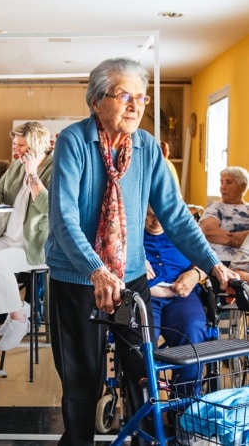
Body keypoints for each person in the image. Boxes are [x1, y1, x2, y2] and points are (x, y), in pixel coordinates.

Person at [44, 57, 238, 446]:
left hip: (131, 278)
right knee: (82, 380)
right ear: (96, 100)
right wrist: (97, 270)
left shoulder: (147, 148)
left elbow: (178, 217)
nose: (135, 106)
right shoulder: (74, 141)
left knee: (141, 372)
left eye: (141, 98)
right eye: (123, 96)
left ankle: (143, 441)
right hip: (78, 278)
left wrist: (213, 266)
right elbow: (64, 219)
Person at [0, 121, 53, 351]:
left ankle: (18, 320)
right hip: (10, 238)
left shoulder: (55, 166)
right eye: (14, 144)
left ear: (36, 145)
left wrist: (33, 174)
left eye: (20, 145)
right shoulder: (16, 166)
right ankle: (17, 309)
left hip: (37, 246)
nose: (15, 150)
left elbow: (49, 206)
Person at [144, 207, 208, 388]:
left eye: (161, 215)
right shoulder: (129, 230)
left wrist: (195, 274)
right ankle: (147, 405)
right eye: (151, 215)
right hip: (143, 297)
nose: (156, 221)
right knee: (144, 340)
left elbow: (207, 261)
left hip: (182, 296)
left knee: (192, 329)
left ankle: (185, 404)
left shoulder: (184, 229)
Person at [199, 166, 249, 280]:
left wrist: (243, 237)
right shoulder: (215, 207)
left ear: (243, 186)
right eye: (221, 182)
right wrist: (234, 239)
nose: (223, 187)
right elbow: (208, 231)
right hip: (221, 261)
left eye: (228, 182)